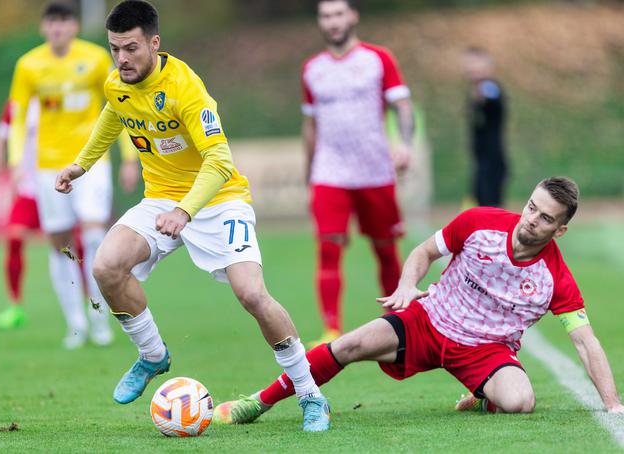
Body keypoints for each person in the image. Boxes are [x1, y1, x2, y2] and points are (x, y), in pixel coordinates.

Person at [54, 0, 330, 432]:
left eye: (130, 48)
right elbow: (114, 114)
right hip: (162, 198)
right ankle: (152, 356)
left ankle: (311, 393)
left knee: (252, 296)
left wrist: (186, 210)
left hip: (219, 199)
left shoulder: (186, 88)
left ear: (154, 42)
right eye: (114, 49)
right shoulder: (117, 83)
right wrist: (82, 164)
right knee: (106, 267)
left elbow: (219, 161)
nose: (122, 59)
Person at [214, 177, 624, 425]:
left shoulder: (555, 278)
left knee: (521, 402)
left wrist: (613, 405)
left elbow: (585, 342)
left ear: (561, 229)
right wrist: (409, 286)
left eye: (545, 218)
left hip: (485, 350)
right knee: (348, 346)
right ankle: (259, 401)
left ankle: (485, 396)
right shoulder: (479, 222)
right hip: (427, 321)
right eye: (531, 207)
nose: (531, 220)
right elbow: (425, 252)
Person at [8, 2, 139, 349]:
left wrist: (128, 157)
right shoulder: (29, 66)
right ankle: (75, 323)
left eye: (64, 23)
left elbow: (120, 108)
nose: (57, 29)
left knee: (95, 233)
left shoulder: (96, 59)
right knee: (60, 244)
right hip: (48, 166)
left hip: (90, 162)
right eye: (51, 24)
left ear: (75, 26)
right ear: (43, 28)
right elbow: (18, 118)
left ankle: (100, 319)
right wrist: (16, 159)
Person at [302, 0, 415, 345]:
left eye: (338, 14)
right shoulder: (313, 69)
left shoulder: (377, 59)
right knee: (328, 247)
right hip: (330, 172)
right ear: (320, 22)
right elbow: (310, 124)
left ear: (352, 16)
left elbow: (403, 107)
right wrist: (309, 175)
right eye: (326, 16)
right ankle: (331, 329)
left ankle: (400, 322)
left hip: (374, 171)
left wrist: (405, 144)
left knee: (384, 248)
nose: (333, 22)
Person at [0, 100, 41, 329]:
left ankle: (92, 303)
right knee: (14, 238)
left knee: (74, 246)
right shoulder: (17, 104)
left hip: (60, 187)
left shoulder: (63, 91)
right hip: (28, 190)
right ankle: (15, 306)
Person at [463, 47, 508, 207]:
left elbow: (492, 96)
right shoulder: (474, 90)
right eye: (468, 63)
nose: (470, 68)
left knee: (490, 208)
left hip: (492, 161)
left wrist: (482, 95)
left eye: (475, 63)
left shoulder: (489, 87)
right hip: (482, 161)